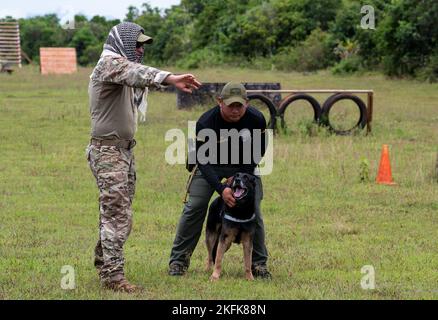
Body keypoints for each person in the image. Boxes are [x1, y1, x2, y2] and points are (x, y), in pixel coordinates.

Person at [86, 22, 201, 293]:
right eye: (137, 44)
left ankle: (104, 260)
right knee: (117, 215)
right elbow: (135, 72)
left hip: (121, 151)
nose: (140, 49)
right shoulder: (109, 64)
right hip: (108, 152)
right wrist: (169, 78)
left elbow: (135, 74)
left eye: (143, 45)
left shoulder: (120, 70)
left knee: (117, 212)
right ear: (121, 42)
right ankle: (113, 277)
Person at [168, 82, 272, 279]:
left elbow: (257, 153)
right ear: (219, 102)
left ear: (247, 104)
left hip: (243, 167)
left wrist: (239, 176)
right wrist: (222, 188)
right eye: (230, 105)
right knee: (195, 206)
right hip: (210, 166)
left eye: (239, 106)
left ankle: (259, 265)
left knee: (255, 210)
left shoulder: (257, 119)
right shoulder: (206, 122)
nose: (235, 110)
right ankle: (178, 261)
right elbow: (202, 161)